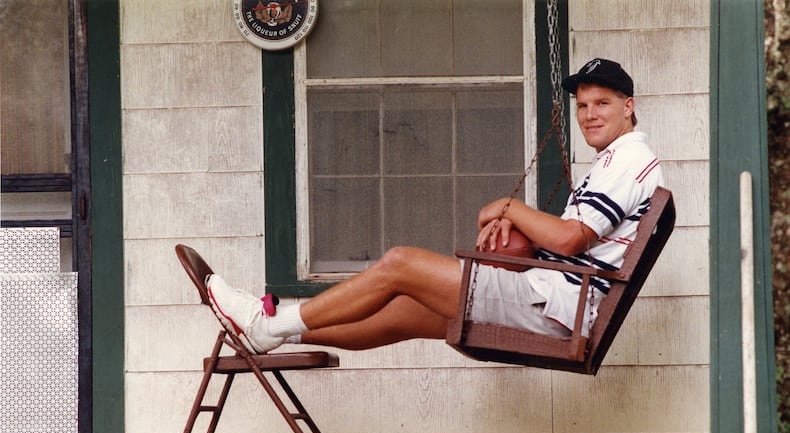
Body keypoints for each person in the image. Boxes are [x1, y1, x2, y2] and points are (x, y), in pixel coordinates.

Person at [206, 58, 665, 354]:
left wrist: (508, 207)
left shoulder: (630, 159)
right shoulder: (612, 161)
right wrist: (518, 229)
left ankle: (264, 325)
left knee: (401, 264)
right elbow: (572, 241)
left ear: (629, 107)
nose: (589, 115)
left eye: (601, 103)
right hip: (553, 298)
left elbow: (570, 238)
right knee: (404, 310)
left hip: (555, 307)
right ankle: (272, 332)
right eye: (582, 105)